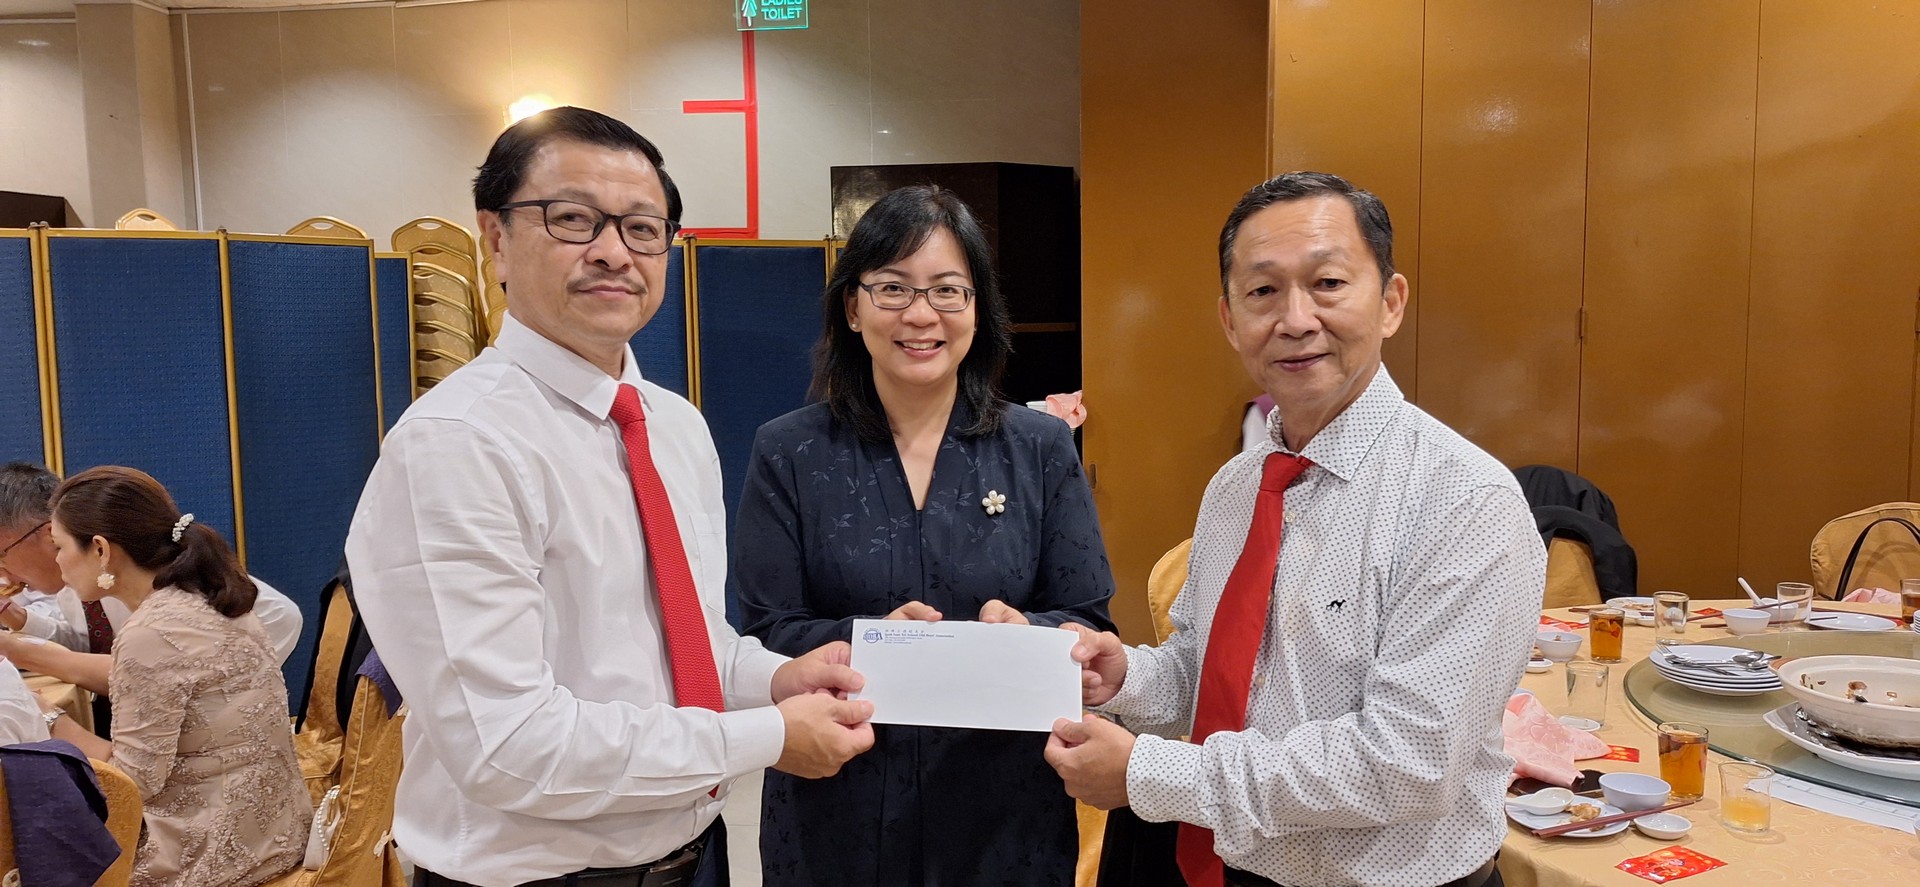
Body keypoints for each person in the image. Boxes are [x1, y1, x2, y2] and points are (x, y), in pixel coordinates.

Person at [345, 106, 875, 887]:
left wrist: (774, 679)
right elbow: (508, 746)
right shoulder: (456, 443)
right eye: (573, 219)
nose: (613, 252)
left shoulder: (674, 424)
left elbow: (686, 647)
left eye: (642, 228)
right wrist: (767, 735)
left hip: (698, 859)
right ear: (495, 237)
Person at [1045, 172, 1546, 887]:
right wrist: (1125, 675)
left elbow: (1408, 762)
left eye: (1328, 283)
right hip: (1232, 867)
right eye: (1263, 291)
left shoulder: (1464, 500)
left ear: (1391, 302)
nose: (1296, 318)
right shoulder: (1236, 486)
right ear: (1230, 320)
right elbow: (1209, 671)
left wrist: (1151, 772)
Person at [734, 185, 1117, 885]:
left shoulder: (1039, 447)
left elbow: (1087, 615)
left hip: (1004, 802)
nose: (920, 314)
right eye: (893, 288)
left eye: (947, 290)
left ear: (978, 309)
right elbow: (762, 630)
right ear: (853, 308)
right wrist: (873, 640)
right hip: (836, 793)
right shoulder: (789, 451)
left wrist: (1029, 632)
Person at [35, 465, 308, 887]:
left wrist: (50, 719)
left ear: (101, 550)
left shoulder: (151, 632)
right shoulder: (212, 595)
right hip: (276, 826)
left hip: (211, 854)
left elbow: (131, 785)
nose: (56, 562)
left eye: (59, 546)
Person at [0, 461, 302, 708]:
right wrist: (17, 617)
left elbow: (142, 672)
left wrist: (51, 716)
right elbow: (95, 645)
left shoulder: (170, 598)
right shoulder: (86, 583)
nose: (2, 571)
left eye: (2, 554)